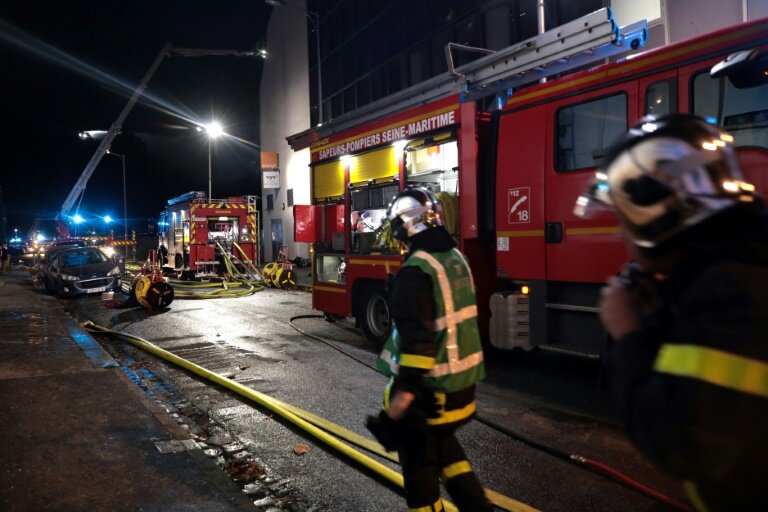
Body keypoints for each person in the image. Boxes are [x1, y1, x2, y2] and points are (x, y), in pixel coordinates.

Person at [574, 113, 768, 511]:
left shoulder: (731, 293)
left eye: (623, 219)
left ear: (655, 213)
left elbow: (682, 443)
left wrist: (628, 334)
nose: (619, 234)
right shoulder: (743, 265)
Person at [366, 186, 492, 512]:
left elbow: (418, 350)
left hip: (431, 397)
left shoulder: (416, 271)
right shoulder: (456, 258)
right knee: (447, 454)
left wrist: (396, 411)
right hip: (463, 389)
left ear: (401, 227)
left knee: (419, 467)